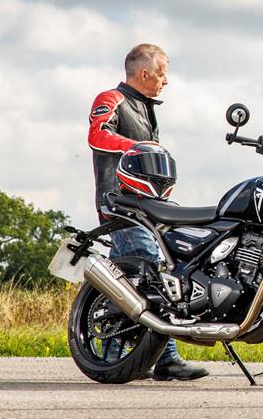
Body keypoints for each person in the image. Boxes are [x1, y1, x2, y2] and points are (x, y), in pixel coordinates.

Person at [88, 43, 209, 381]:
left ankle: (159, 357)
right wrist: (138, 146)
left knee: (151, 279)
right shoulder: (112, 99)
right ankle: (116, 356)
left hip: (146, 209)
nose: (165, 81)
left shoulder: (146, 108)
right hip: (122, 207)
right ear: (144, 73)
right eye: (162, 73)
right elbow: (97, 134)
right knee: (145, 279)